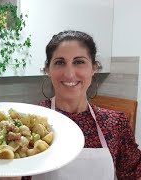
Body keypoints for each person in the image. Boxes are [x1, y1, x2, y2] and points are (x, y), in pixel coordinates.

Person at [36, 30, 141, 180]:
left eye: (79, 62)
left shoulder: (115, 123)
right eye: (60, 62)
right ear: (48, 69)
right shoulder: (32, 121)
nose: (70, 74)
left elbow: (133, 175)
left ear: (94, 68)